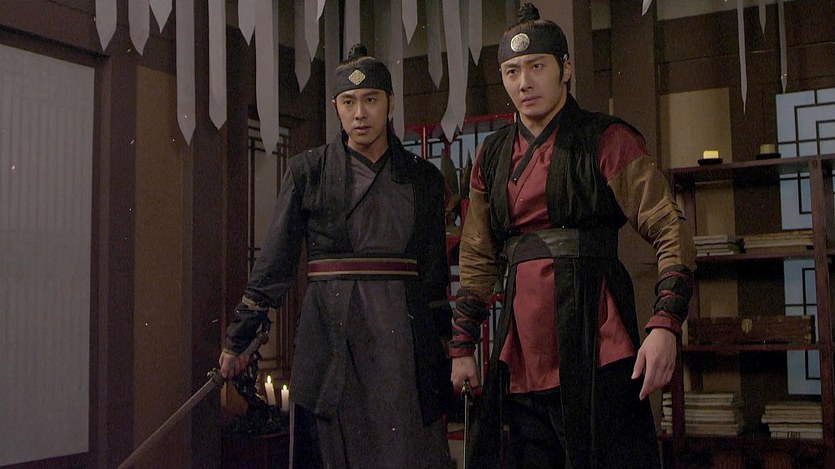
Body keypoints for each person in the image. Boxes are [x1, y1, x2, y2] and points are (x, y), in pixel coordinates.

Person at [449, 4, 696, 469]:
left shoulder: (606, 138)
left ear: (565, 69)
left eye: (537, 67)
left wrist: (665, 323)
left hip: (598, 338)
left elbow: (669, 227)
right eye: (512, 71)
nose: (524, 83)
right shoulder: (493, 154)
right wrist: (462, 347)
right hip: (522, 347)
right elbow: (478, 256)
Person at [219, 44, 453, 468]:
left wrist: (451, 348)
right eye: (349, 102)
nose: (359, 113)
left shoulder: (423, 178)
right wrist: (240, 338)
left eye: (370, 100)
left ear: (390, 103)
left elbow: (435, 275)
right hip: (332, 330)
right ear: (336, 108)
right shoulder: (309, 171)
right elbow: (275, 262)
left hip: (402, 337)